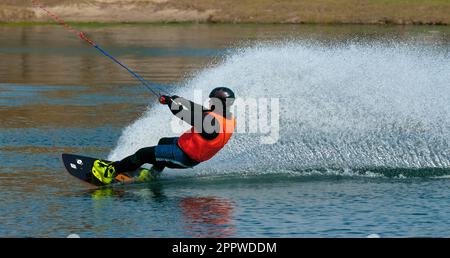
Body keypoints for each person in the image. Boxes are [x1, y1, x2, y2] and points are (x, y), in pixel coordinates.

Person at [92, 87, 236, 184]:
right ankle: (153, 174)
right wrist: (181, 100)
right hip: (188, 150)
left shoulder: (210, 122)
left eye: (212, 100)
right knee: (163, 141)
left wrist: (168, 102)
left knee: (143, 154)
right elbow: (201, 110)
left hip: (183, 156)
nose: (209, 102)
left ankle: (110, 171)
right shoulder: (228, 118)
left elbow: (181, 114)